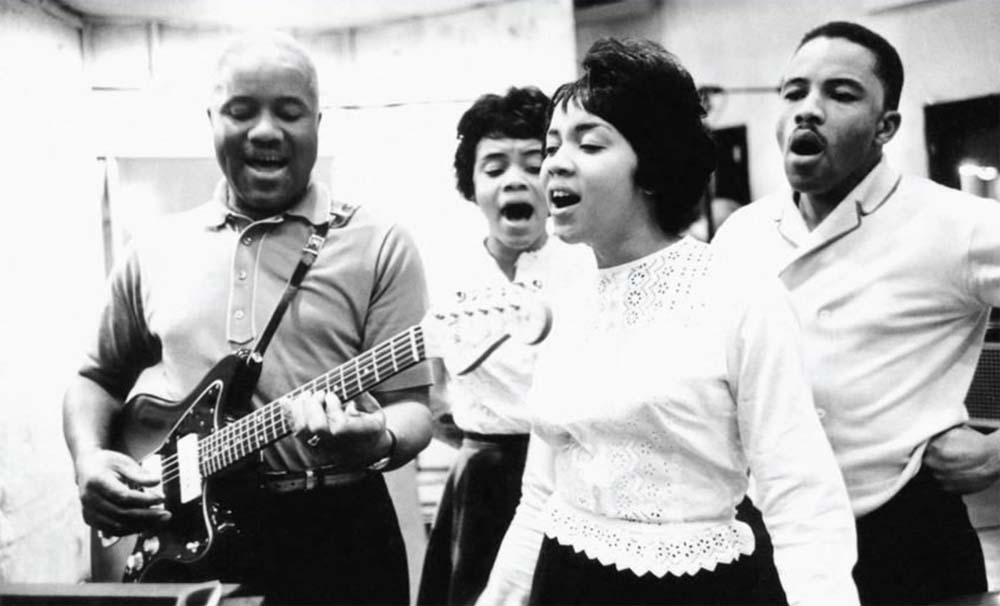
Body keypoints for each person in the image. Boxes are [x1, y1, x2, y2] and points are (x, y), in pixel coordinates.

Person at [478, 38, 858, 606]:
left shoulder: (741, 295)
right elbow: (540, 494)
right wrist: (499, 598)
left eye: (589, 143)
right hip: (567, 580)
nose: (553, 162)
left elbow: (799, 492)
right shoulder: (566, 301)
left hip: (699, 588)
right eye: (552, 146)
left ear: (653, 164)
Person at [63, 32, 433, 605]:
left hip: (339, 533)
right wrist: (89, 460)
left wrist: (380, 439)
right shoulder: (154, 248)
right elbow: (96, 379)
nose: (265, 131)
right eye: (241, 111)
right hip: (184, 538)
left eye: (289, 112)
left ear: (317, 123)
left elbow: (413, 407)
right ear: (212, 119)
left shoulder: (380, 244)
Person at [713, 21, 998, 605]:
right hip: (771, 535)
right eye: (793, 92)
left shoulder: (958, 224)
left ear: (885, 126)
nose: (807, 109)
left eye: (840, 94)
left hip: (909, 536)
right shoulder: (741, 233)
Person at [416, 87, 592, 606]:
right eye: (494, 168)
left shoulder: (586, 263)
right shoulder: (448, 274)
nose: (515, 179)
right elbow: (432, 392)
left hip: (572, 476)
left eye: (534, 165)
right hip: (483, 479)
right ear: (472, 187)